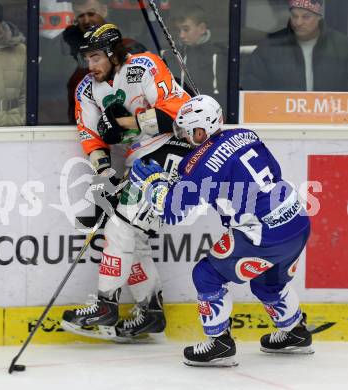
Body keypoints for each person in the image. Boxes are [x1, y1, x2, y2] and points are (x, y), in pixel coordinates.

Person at [130, 94, 313, 366]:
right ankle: (295, 332)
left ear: (202, 129)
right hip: (297, 221)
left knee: (207, 275)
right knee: (267, 282)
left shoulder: (198, 164)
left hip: (263, 234)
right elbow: (272, 170)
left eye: (187, 131)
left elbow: (172, 212)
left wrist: (154, 184)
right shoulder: (246, 133)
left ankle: (219, 343)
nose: (183, 136)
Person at [61, 24, 191, 340]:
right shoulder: (87, 89)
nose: (89, 66)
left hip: (172, 149)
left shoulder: (143, 66)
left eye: (95, 57)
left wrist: (126, 123)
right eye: (85, 59)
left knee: (119, 227)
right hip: (139, 161)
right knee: (132, 236)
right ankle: (150, 311)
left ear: (112, 53)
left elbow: (178, 115)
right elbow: (90, 137)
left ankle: (106, 303)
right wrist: (105, 176)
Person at [63, 0, 147, 122]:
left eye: (91, 13)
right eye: (80, 15)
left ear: (104, 10)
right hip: (82, 126)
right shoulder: (61, 46)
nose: (86, 20)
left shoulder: (130, 47)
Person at [242, 0, 348, 91]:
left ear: (319, 16)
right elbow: (252, 86)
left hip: (332, 114)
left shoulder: (342, 46)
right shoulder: (270, 46)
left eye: (306, 17)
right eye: (294, 16)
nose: (298, 22)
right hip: (280, 113)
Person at [163, 5, 228, 115]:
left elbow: (224, 96)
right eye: (178, 30)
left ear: (202, 28)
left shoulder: (219, 55)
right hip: (179, 117)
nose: (181, 35)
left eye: (186, 29)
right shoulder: (172, 56)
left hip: (212, 118)